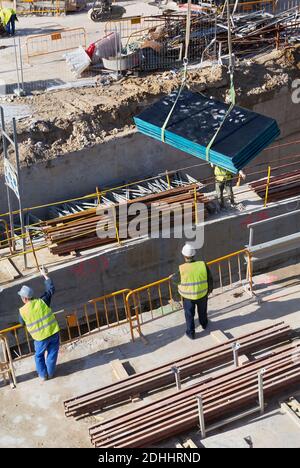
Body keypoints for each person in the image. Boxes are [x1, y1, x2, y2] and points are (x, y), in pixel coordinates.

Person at [18, 267, 60, 381]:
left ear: (24, 298)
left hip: (39, 338)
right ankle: (50, 374)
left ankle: (43, 375)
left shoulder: (22, 311)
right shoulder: (42, 301)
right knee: (52, 354)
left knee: (39, 356)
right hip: (53, 332)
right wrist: (45, 275)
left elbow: (21, 323)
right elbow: (51, 290)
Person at [173, 243, 213, 339]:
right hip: (202, 294)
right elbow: (209, 278)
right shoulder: (202, 265)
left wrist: (172, 278)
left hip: (188, 297)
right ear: (194, 255)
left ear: (184, 255)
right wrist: (209, 290)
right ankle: (204, 324)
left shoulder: (182, 268)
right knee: (202, 311)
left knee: (189, 315)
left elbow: (176, 280)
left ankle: (191, 333)